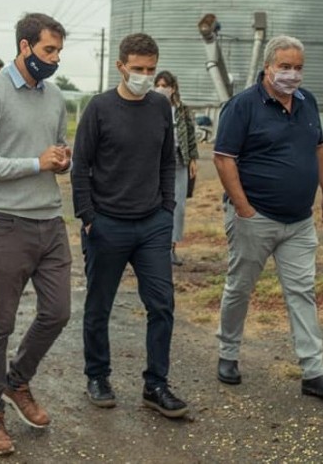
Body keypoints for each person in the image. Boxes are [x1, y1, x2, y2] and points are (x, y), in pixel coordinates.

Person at [0, 13, 72, 456]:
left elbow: (55, 149)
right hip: (5, 222)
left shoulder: (56, 96)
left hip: (50, 222)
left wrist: (61, 160)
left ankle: (16, 380)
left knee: (59, 312)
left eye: (59, 51)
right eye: (49, 50)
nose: (55, 59)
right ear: (25, 47)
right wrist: (35, 163)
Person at [213, 35, 323, 399]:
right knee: (240, 287)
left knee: (302, 291)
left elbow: (318, 148)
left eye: (298, 68)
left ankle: (313, 371)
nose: (292, 74)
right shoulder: (242, 106)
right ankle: (228, 353)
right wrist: (243, 208)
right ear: (268, 67)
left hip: (299, 221)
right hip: (256, 217)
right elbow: (224, 158)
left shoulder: (308, 102)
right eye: (285, 67)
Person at [71, 33, 188, 419]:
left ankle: (156, 384)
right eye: (137, 69)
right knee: (99, 306)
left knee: (162, 304)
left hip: (152, 224)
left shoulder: (159, 107)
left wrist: (168, 209)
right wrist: (88, 217)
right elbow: (80, 166)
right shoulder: (99, 108)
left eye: (151, 70)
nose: (144, 76)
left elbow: (167, 161)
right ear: (121, 66)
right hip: (107, 224)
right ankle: (97, 376)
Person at [153, 71, 198, 266]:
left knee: (177, 206)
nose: (162, 88)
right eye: (159, 84)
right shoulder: (150, 108)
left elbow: (190, 135)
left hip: (179, 161)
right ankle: (155, 247)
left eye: (166, 85)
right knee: (156, 203)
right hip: (156, 162)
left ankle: (171, 247)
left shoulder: (182, 110)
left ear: (173, 88)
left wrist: (193, 160)